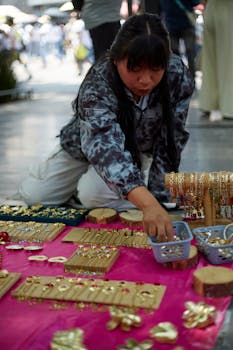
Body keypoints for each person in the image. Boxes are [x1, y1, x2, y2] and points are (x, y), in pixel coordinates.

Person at [18, 13, 194, 241]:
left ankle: (90, 190)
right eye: (135, 68)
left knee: (92, 195)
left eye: (155, 69)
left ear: (166, 61)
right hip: (82, 147)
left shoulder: (177, 76)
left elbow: (171, 139)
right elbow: (104, 148)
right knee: (36, 197)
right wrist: (147, 203)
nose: (145, 80)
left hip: (134, 152)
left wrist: (157, 200)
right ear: (115, 58)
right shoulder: (98, 81)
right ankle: (76, 185)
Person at [199, 0, 233, 121]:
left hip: (210, 8)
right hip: (228, 9)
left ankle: (207, 103)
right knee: (228, 62)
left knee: (209, 62)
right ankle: (230, 107)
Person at [161, 0, 200, 79]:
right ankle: (182, 77)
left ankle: (184, 77)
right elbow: (196, 2)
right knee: (182, 53)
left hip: (180, 25)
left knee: (186, 52)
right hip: (175, 25)